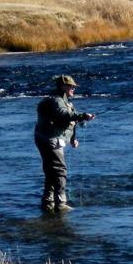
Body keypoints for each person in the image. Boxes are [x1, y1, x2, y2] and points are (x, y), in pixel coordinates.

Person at [34, 75, 95, 213]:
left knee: (51, 171)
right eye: (71, 86)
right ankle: (61, 203)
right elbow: (64, 114)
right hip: (49, 139)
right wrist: (83, 115)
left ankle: (48, 202)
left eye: (74, 86)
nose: (73, 88)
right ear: (62, 86)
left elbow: (71, 122)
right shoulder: (56, 101)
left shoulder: (67, 102)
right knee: (60, 170)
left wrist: (73, 139)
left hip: (47, 137)